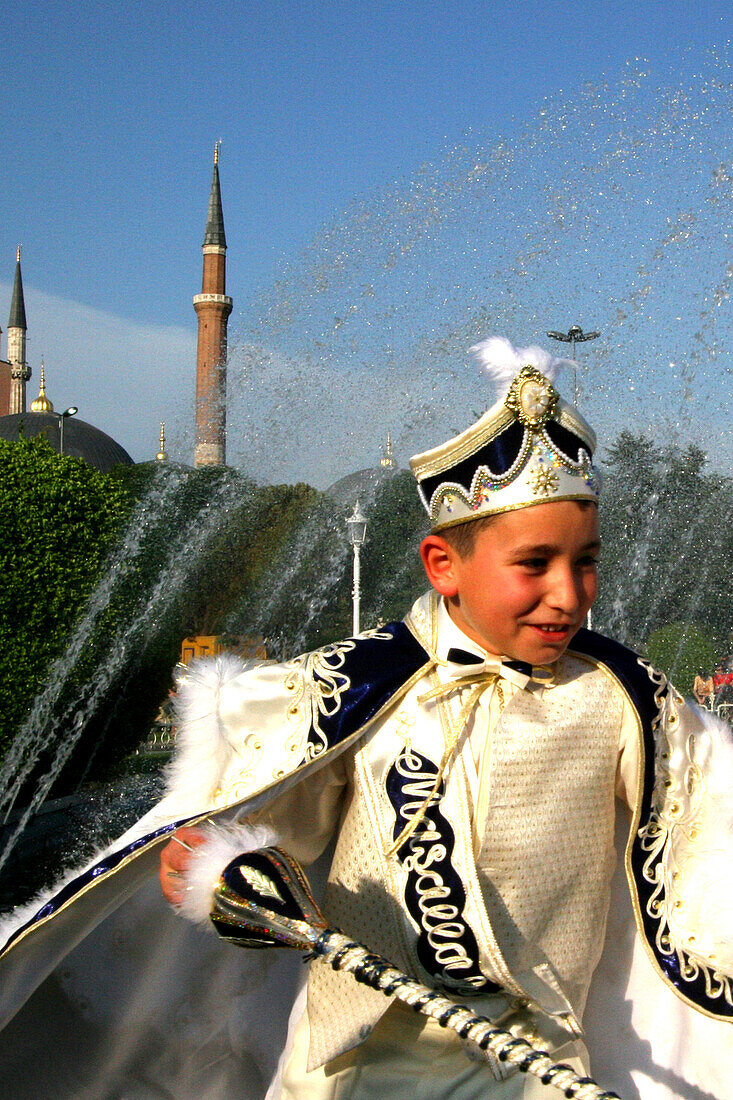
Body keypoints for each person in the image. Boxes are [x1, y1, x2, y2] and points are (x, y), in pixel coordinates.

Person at [0, 337, 731, 1100]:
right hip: (351, 1071)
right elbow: (248, 832)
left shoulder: (622, 695)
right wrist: (224, 876)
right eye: (533, 564)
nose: (568, 593)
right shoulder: (359, 687)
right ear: (441, 566)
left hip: (537, 1068)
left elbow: (712, 827)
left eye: (585, 561)